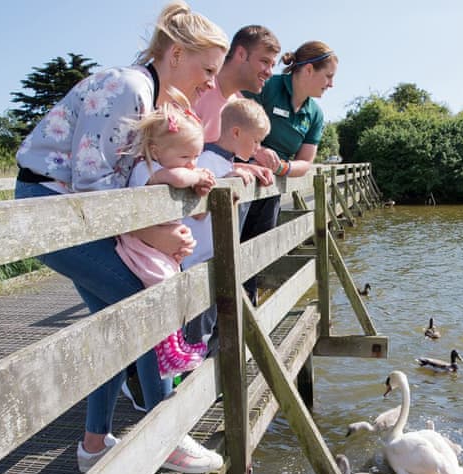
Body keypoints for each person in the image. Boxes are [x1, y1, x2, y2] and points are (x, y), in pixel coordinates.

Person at [13, 1, 229, 474]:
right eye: (208, 69)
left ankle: (94, 444)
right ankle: (167, 435)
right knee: (148, 308)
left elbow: (118, 182)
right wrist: (158, 234)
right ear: (176, 53)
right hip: (50, 208)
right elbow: (96, 188)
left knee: (117, 323)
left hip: (68, 209)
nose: (212, 82)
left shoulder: (149, 92)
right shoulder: (129, 87)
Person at [116, 95, 216, 378]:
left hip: (156, 246)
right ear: (155, 149)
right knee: (165, 287)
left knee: (172, 286)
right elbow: (180, 179)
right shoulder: (145, 170)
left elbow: (195, 210)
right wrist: (197, 177)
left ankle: (173, 348)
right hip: (141, 246)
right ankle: (166, 354)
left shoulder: (165, 167)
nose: (192, 164)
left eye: (196, 157)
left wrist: (196, 178)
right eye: (186, 157)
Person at [241, 41, 338, 302]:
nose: (331, 84)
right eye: (328, 76)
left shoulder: (315, 114)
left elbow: (305, 161)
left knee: (257, 254)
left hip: (271, 190)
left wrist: (281, 167)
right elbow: (230, 119)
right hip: (240, 183)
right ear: (308, 70)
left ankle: (246, 315)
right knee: (228, 251)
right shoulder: (268, 87)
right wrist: (255, 150)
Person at [181, 98, 272, 353]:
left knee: (210, 328)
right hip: (198, 264)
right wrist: (223, 184)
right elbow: (195, 214)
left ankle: (200, 383)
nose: (257, 148)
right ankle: (186, 384)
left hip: (216, 263)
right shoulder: (207, 161)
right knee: (196, 334)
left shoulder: (226, 163)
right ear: (236, 132)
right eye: (255, 141)